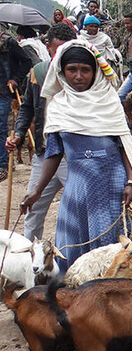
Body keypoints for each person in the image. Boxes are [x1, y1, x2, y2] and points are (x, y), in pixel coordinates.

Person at [20, 40, 132, 272]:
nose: (78, 76)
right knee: (74, 250)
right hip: (78, 187)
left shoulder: (109, 101)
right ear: (62, 72)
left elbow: (124, 145)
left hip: (111, 183)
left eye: (85, 70)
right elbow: (54, 153)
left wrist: (130, 181)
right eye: (72, 70)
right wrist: (36, 191)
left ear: (95, 71)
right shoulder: (58, 106)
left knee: (113, 251)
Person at [6, 24, 76, 240]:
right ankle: (29, 259)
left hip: (72, 155)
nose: (61, 57)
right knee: (32, 208)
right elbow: (27, 106)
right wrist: (18, 134)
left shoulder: (81, 73)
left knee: (78, 209)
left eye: (67, 50)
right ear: (48, 47)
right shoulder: (39, 72)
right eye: (57, 51)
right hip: (43, 152)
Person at [0, 26, 32, 182]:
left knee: (1, 127)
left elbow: (27, 61)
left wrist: (15, 79)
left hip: (4, 91)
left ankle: (3, 165)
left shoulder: (8, 43)